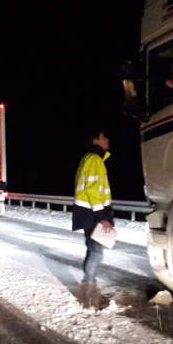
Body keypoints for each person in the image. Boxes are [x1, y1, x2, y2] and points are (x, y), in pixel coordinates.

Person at [72, 129, 115, 309]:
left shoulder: (88, 159)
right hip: (92, 214)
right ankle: (89, 296)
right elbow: (92, 190)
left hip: (88, 212)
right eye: (104, 137)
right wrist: (101, 217)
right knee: (96, 253)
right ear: (96, 140)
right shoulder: (94, 159)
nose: (107, 139)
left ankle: (89, 292)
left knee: (93, 251)